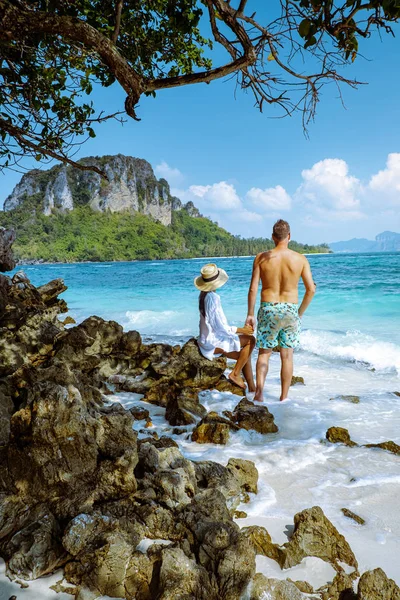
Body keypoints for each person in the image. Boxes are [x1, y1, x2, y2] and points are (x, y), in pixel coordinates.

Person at [246, 220, 316, 402]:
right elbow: (311, 290)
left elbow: (253, 289)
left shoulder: (261, 258)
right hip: (290, 310)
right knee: (287, 355)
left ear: (272, 237)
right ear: (289, 236)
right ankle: (284, 397)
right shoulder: (300, 259)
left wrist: (250, 314)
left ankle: (259, 393)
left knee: (264, 352)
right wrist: (299, 313)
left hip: (268, 308)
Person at [195, 263, 256, 391]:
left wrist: (238, 331)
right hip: (212, 342)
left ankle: (252, 389)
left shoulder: (203, 295)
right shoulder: (212, 297)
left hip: (205, 340)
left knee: (244, 355)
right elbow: (220, 327)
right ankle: (235, 374)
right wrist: (241, 330)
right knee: (251, 341)